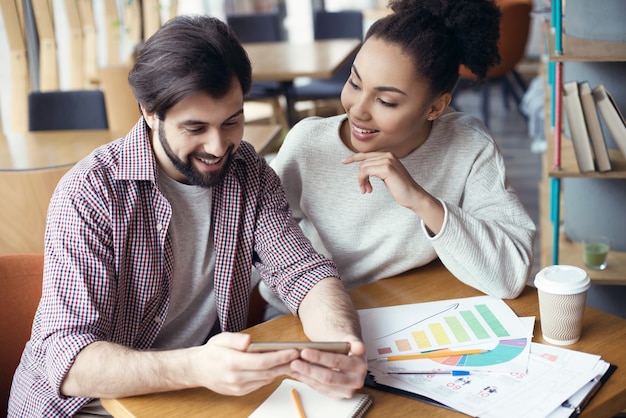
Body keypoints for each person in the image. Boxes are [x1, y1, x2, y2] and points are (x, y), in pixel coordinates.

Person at [8, 15, 367, 417]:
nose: (218, 146)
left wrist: (340, 347)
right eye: (194, 127)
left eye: (232, 121)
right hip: (82, 406)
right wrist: (197, 366)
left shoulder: (248, 172)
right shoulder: (91, 193)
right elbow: (68, 361)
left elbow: (303, 274)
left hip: (185, 396)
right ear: (149, 112)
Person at [259, 0, 536, 317]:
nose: (358, 110)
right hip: (304, 314)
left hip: (405, 308)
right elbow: (262, 242)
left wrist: (421, 200)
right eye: (354, 82)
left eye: (386, 101)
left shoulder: (467, 145)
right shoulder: (307, 145)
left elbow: (511, 276)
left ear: (434, 108)